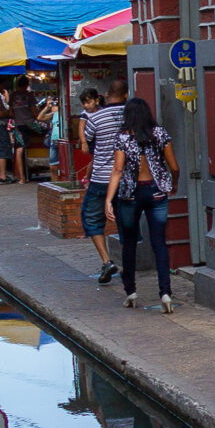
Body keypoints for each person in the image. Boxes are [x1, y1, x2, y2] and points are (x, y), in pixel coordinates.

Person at [105, 95, 178, 313]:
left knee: (128, 242)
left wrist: (108, 200)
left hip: (130, 194)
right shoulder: (160, 134)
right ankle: (165, 292)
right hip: (156, 192)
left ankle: (131, 291)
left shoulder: (123, 137)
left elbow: (117, 170)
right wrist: (174, 184)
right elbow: (173, 166)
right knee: (159, 243)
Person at [78, 86, 125, 284]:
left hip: (102, 179)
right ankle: (128, 263)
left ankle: (107, 261)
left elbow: (86, 142)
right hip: (127, 179)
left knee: (91, 218)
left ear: (104, 96)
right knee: (127, 219)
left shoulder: (94, 119)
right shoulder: (131, 114)